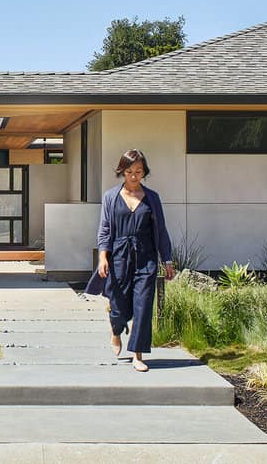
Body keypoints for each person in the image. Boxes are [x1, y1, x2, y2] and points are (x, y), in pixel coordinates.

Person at [84, 149, 175, 371]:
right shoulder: (111, 197)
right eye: (129, 171)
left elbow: (161, 230)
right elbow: (104, 229)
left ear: (144, 172)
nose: (134, 176)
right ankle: (116, 330)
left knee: (143, 307)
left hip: (146, 258)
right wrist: (102, 257)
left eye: (138, 171)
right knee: (118, 307)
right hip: (119, 258)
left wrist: (168, 259)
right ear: (122, 171)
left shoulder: (152, 198)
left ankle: (138, 355)